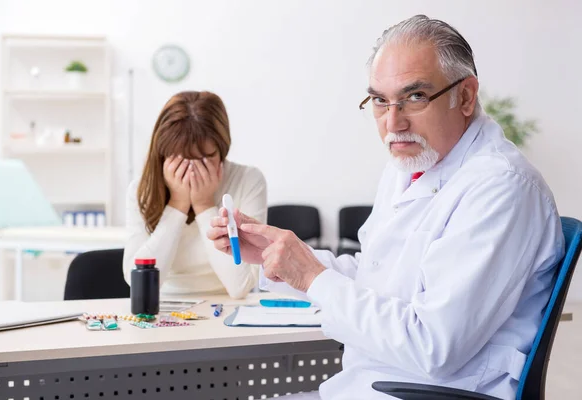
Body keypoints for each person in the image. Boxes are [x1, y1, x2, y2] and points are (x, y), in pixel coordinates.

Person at [207, 15, 565, 400]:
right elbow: (375, 276)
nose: (393, 122)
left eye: (415, 97)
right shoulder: (412, 165)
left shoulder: (501, 187)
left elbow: (434, 347)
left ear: (465, 96)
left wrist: (312, 276)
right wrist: (282, 261)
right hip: (370, 384)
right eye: (379, 100)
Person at [124, 91, 267, 299]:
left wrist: (204, 205)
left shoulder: (248, 180)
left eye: (204, 157)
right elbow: (137, 281)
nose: (191, 170)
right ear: (163, 153)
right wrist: (178, 204)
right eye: (180, 159)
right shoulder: (141, 189)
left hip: (227, 307)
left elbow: (239, 286)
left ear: (221, 150)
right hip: (162, 306)